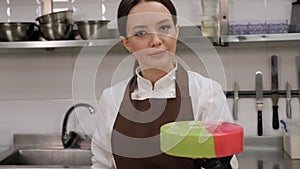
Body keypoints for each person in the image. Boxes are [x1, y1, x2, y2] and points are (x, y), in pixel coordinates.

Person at [91, 0, 238, 168]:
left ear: (176, 31)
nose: (155, 41)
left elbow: (229, 162)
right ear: (127, 43)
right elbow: (102, 164)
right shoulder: (111, 98)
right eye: (140, 33)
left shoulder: (207, 93)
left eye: (164, 28)